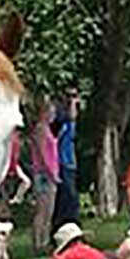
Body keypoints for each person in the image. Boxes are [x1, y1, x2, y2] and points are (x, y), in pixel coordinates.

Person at [30, 95, 59, 254]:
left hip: (50, 174)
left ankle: (45, 240)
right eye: (51, 111)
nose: (53, 115)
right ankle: (38, 242)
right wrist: (50, 172)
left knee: (49, 210)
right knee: (43, 208)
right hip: (44, 174)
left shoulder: (47, 129)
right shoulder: (41, 129)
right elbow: (42, 153)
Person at [51, 85, 80, 230]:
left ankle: (72, 225)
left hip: (70, 162)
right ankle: (63, 226)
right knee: (67, 197)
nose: (72, 99)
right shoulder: (60, 118)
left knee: (72, 198)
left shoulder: (71, 120)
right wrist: (72, 104)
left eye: (74, 95)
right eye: (69, 96)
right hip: (60, 162)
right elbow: (70, 117)